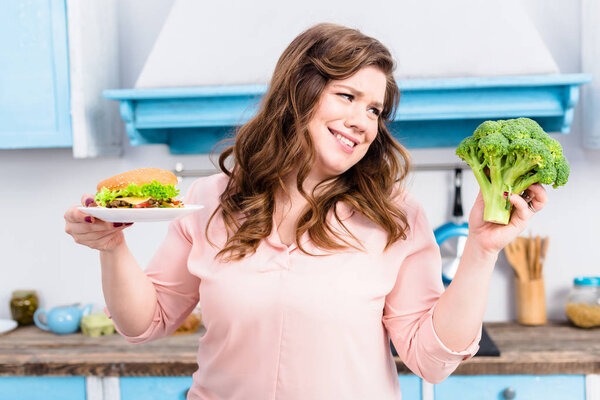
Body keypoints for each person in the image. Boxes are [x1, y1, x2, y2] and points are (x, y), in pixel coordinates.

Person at [64, 23, 547, 400]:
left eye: (375, 110)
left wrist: (482, 251)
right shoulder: (209, 200)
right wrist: (112, 246)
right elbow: (144, 322)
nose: (362, 121)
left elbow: (431, 361)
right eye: (348, 96)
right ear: (299, 93)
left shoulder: (398, 217)